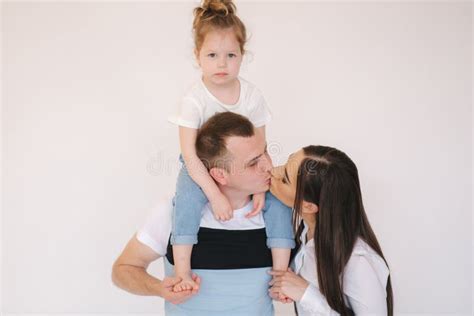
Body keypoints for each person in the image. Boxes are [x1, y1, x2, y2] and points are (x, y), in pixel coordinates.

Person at [112, 112, 295, 315]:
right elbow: (123, 269)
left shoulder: (280, 212)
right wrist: (158, 289)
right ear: (219, 175)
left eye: (266, 151)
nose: (268, 165)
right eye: (253, 163)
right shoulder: (173, 212)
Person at [167, 0, 291, 292]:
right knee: (186, 200)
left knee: (279, 201)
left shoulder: (251, 95)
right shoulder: (194, 99)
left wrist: (261, 185)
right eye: (212, 55)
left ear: (242, 56)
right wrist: (214, 194)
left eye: (230, 55)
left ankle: (282, 276)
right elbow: (189, 154)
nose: (221, 64)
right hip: (201, 166)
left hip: (243, 165)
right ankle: (183, 272)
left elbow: (261, 147)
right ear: (198, 56)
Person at [268, 146, 394, 315]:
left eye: (284, 179)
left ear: (308, 206)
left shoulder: (358, 262)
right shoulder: (306, 236)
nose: (274, 171)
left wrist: (306, 294)